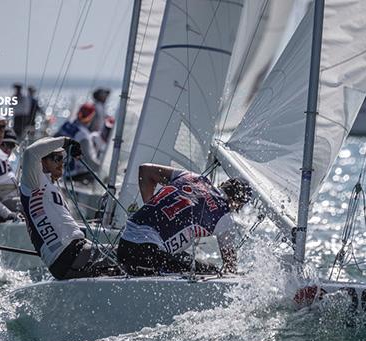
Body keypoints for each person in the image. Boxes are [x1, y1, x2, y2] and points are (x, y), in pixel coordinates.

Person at [117, 164, 252, 276]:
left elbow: (145, 170)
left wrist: (150, 209)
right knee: (211, 272)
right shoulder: (224, 217)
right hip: (149, 255)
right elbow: (230, 268)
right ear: (237, 203)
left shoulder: (192, 177)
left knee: (182, 259)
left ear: (223, 184)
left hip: (124, 243)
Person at [19, 136, 119, 280]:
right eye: (56, 159)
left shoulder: (52, 189)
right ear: (42, 161)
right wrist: (66, 141)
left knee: (123, 269)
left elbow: (69, 231)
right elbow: (30, 153)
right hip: (68, 255)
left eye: (62, 159)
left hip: (74, 255)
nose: (61, 163)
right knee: (129, 255)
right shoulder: (33, 183)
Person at [55, 102, 102, 179]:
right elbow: (90, 162)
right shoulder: (83, 135)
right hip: (75, 175)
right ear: (91, 118)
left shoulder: (66, 125)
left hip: (62, 171)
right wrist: (105, 170)